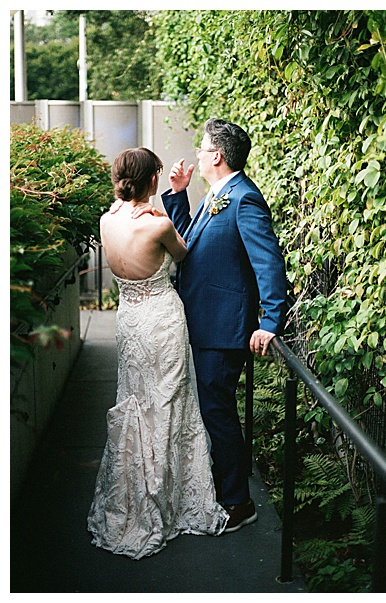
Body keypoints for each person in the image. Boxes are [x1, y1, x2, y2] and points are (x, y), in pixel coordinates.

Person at [120, 118, 290, 532]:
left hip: (223, 327)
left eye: (202, 147)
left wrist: (270, 321)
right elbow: (191, 244)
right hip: (203, 320)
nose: (196, 152)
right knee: (213, 410)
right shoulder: (220, 194)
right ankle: (222, 487)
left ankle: (238, 502)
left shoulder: (245, 199)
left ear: (217, 155)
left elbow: (268, 264)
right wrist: (178, 196)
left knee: (218, 413)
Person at [88, 148, 229, 559]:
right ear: (153, 180)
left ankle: (132, 494)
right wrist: (176, 198)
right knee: (169, 403)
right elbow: (184, 254)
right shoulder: (158, 226)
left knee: (135, 401)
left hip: (129, 321)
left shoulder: (105, 220)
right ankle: (166, 499)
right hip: (163, 321)